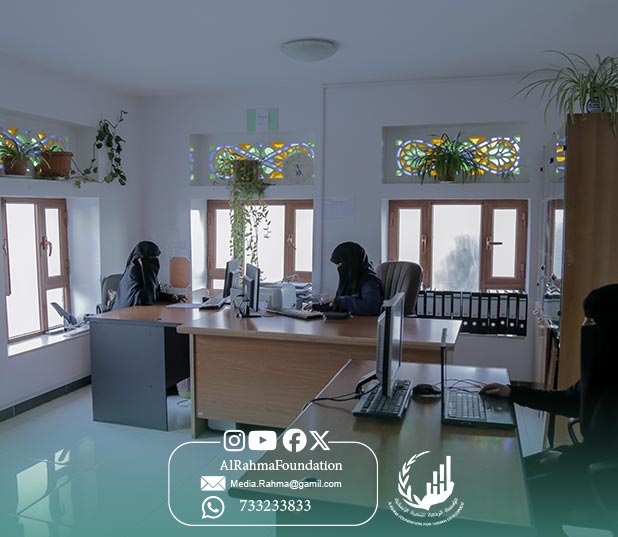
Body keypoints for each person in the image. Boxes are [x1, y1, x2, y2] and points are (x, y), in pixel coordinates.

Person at [481, 283, 618, 534]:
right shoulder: (605, 367)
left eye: (591, 319)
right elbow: (568, 399)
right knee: (515, 473)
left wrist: (565, 458)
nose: (584, 325)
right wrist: (512, 392)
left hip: (603, 479)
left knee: (521, 496)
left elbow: (609, 451)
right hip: (587, 461)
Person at [313, 241, 384, 316]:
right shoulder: (351, 279)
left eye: (340, 264)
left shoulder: (369, 281)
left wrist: (339, 300)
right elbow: (340, 306)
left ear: (351, 262)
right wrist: (315, 307)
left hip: (363, 323)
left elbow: (370, 308)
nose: (338, 267)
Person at [111, 241, 185, 310]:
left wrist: (171, 297)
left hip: (137, 314)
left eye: (155, 258)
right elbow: (146, 300)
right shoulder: (133, 275)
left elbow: (154, 293)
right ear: (140, 258)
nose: (155, 261)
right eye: (152, 258)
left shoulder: (145, 271)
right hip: (121, 316)